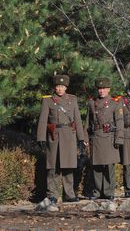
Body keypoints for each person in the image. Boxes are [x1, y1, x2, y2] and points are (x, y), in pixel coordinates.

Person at [37, 74, 85, 210]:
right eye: (58, 86)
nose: (60, 89)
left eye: (62, 86)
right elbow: (42, 120)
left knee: (69, 167)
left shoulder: (72, 100)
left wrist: (81, 138)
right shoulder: (48, 101)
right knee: (53, 167)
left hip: (69, 136)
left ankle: (69, 194)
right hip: (54, 137)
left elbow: (78, 120)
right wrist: (41, 138)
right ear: (55, 87)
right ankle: (52, 194)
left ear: (66, 87)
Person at [84, 77, 124, 200]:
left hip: (109, 138)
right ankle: (97, 192)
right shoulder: (92, 103)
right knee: (96, 166)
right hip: (96, 137)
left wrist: (119, 139)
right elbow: (87, 123)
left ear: (108, 89)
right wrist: (85, 138)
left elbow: (120, 123)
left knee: (109, 167)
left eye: (104, 89)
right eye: (100, 89)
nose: (101, 91)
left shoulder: (115, 104)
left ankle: (108, 192)